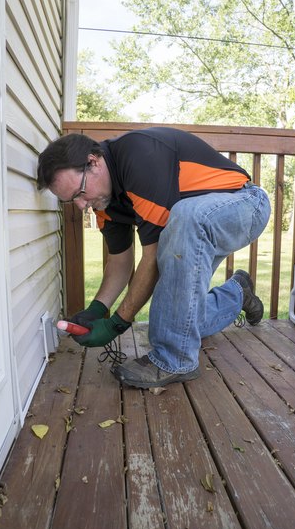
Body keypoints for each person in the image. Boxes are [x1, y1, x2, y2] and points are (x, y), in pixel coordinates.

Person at [37, 127, 271, 388]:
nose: (82, 205)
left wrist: (116, 324)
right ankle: (237, 293)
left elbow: (152, 258)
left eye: (80, 193)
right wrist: (97, 309)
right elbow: (119, 262)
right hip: (196, 225)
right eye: (72, 201)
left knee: (185, 217)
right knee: (180, 322)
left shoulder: (138, 156)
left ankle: (175, 361)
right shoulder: (105, 201)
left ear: (93, 162)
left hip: (245, 203)